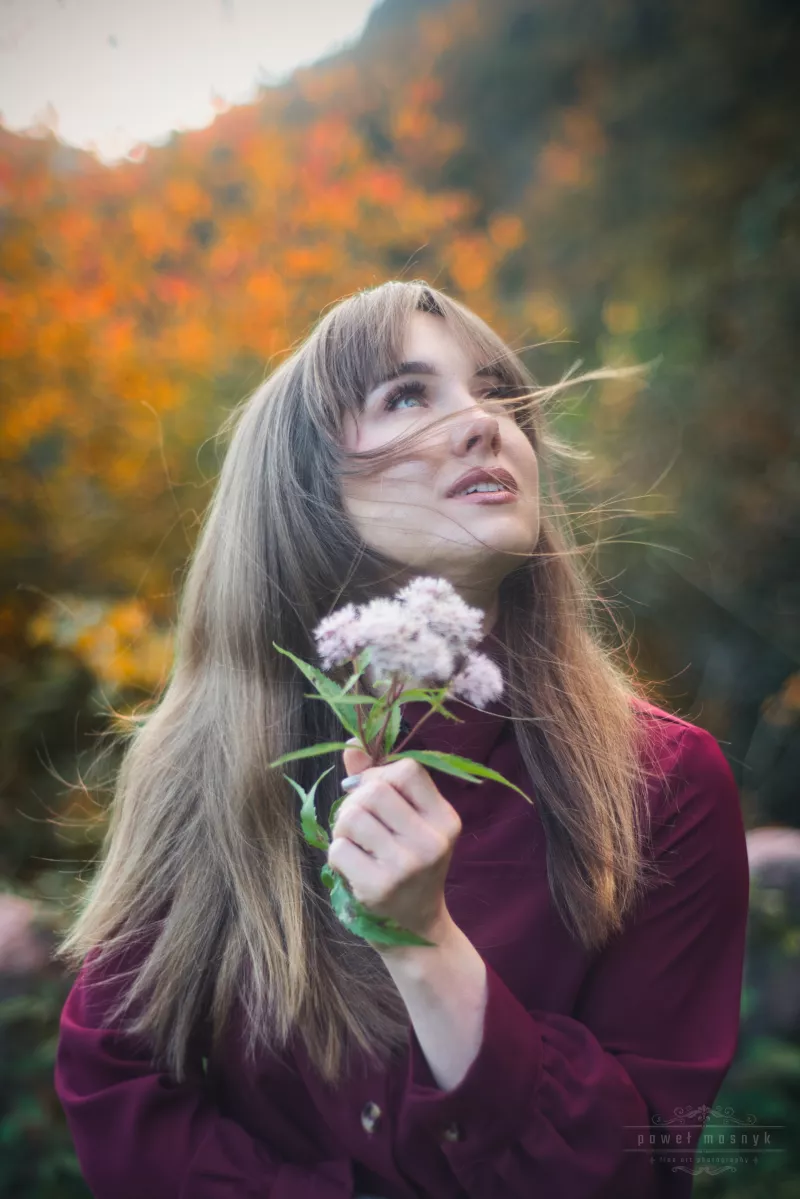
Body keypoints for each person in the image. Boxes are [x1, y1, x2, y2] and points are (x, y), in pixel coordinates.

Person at [53, 280, 749, 1198]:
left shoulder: (664, 780)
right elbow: (120, 1096)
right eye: (409, 395)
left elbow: (642, 1162)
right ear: (304, 486)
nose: (486, 423)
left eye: (497, 392)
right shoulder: (197, 763)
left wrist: (426, 944)